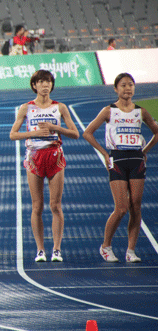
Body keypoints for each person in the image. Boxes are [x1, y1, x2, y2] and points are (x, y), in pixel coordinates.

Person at [82, 73, 158, 263]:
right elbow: (87, 133)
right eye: (123, 85)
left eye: (131, 85)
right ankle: (106, 246)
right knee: (122, 208)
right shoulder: (109, 111)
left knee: (136, 206)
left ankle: (130, 250)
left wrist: (145, 150)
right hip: (117, 159)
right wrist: (104, 153)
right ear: (116, 89)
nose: (127, 88)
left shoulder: (141, 112)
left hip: (136, 159)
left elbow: (156, 133)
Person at [9, 70, 79, 262]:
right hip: (34, 158)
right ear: (34, 86)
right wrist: (33, 135)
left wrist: (56, 128)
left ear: (51, 85)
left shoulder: (60, 107)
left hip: (55, 156)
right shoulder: (26, 108)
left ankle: (56, 249)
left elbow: (75, 134)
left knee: (55, 205)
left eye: (48, 81)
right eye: (41, 82)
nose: (45, 85)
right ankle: (40, 249)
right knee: (37, 206)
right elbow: (13, 134)